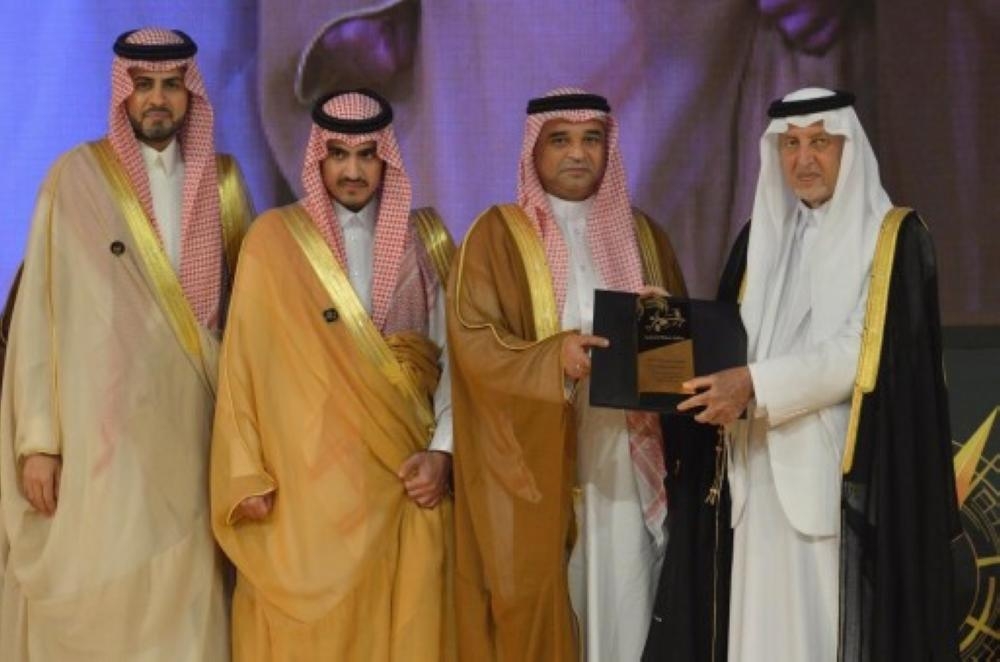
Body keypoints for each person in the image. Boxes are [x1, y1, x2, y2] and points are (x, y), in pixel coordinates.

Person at [678, 87, 959, 660]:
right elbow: (733, 339)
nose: (804, 159)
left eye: (820, 143)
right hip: (753, 479)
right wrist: (664, 327)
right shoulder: (758, 238)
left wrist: (755, 384)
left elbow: (861, 353)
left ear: (847, 147)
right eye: (791, 145)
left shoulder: (893, 239)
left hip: (835, 485)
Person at [0, 27, 253, 660]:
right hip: (99, 441)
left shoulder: (224, 186)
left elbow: (249, 326)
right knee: (101, 593)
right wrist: (38, 443)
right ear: (123, 94)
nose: (158, 100)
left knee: (186, 601)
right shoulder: (75, 177)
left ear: (191, 95)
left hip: (193, 435)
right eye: (144, 86)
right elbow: (39, 319)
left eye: (171, 86)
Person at [210, 89, 455, 661]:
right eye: (338, 154)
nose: (351, 170)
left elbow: (452, 365)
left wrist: (444, 454)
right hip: (304, 493)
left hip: (401, 483)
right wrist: (245, 474)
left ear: (385, 159)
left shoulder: (427, 245)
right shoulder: (273, 241)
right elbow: (243, 363)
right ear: (317, 158)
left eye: (366, 154)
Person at [448, 88, 687, 662]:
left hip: (625, 455)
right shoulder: (496, 235)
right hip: (532, 461)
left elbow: (679, 359)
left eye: (591, 139)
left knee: (628, 593)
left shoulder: (646, 236)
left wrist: (661, 329)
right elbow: (473, 342)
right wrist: (550, 360)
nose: (577, 154)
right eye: (560, 140)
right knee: (549, 600)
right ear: (534, 151)